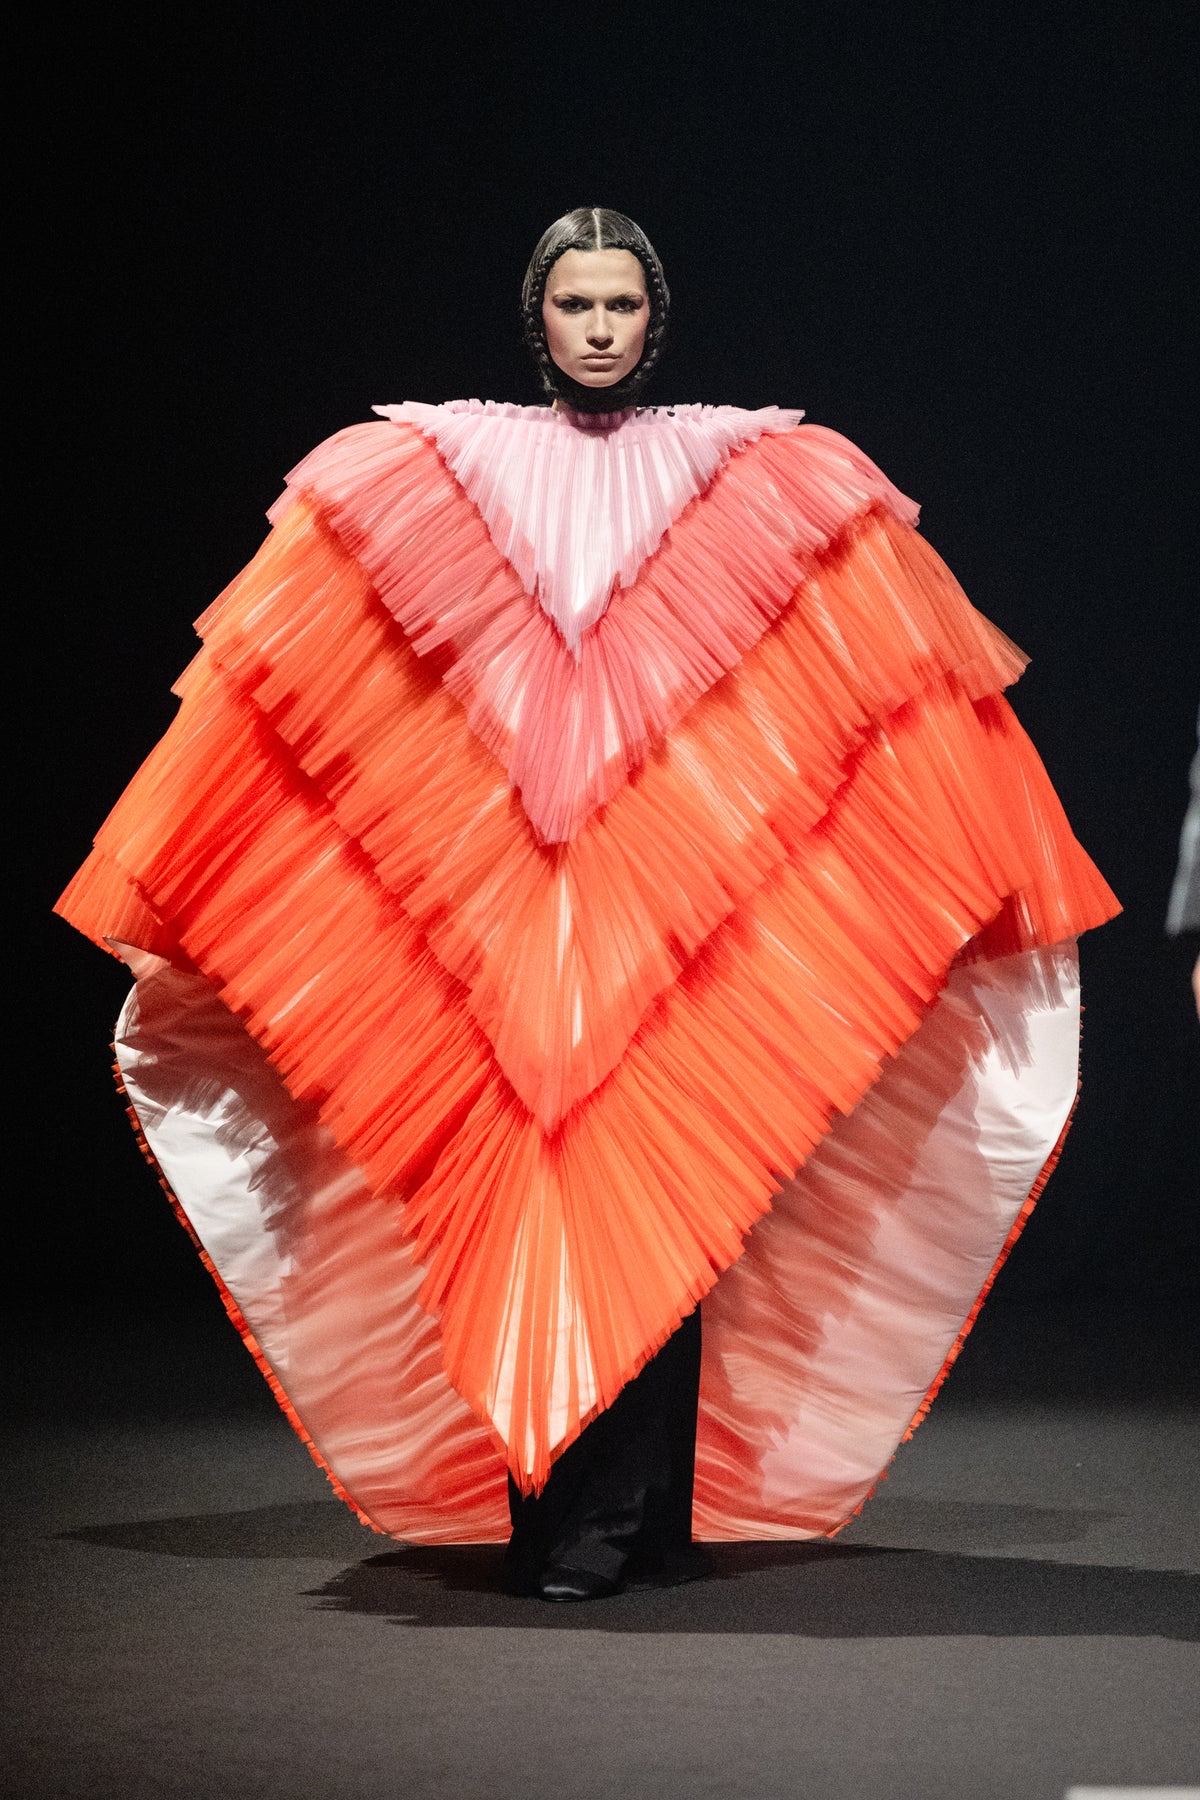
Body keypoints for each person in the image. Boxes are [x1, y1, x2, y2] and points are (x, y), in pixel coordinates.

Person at [56, 207, 1120, 1601]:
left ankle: (623, 1522)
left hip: (662, 915)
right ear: (538, 317)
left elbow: (830, 674)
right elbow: (345, 673)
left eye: (623, 304)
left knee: (664, 1185)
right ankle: (569, 1519)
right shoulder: (433, 466)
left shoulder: (752, 469)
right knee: (530, 1189)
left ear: (655, 318)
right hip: (514, 917)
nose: (602, 328)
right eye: (578, 304)